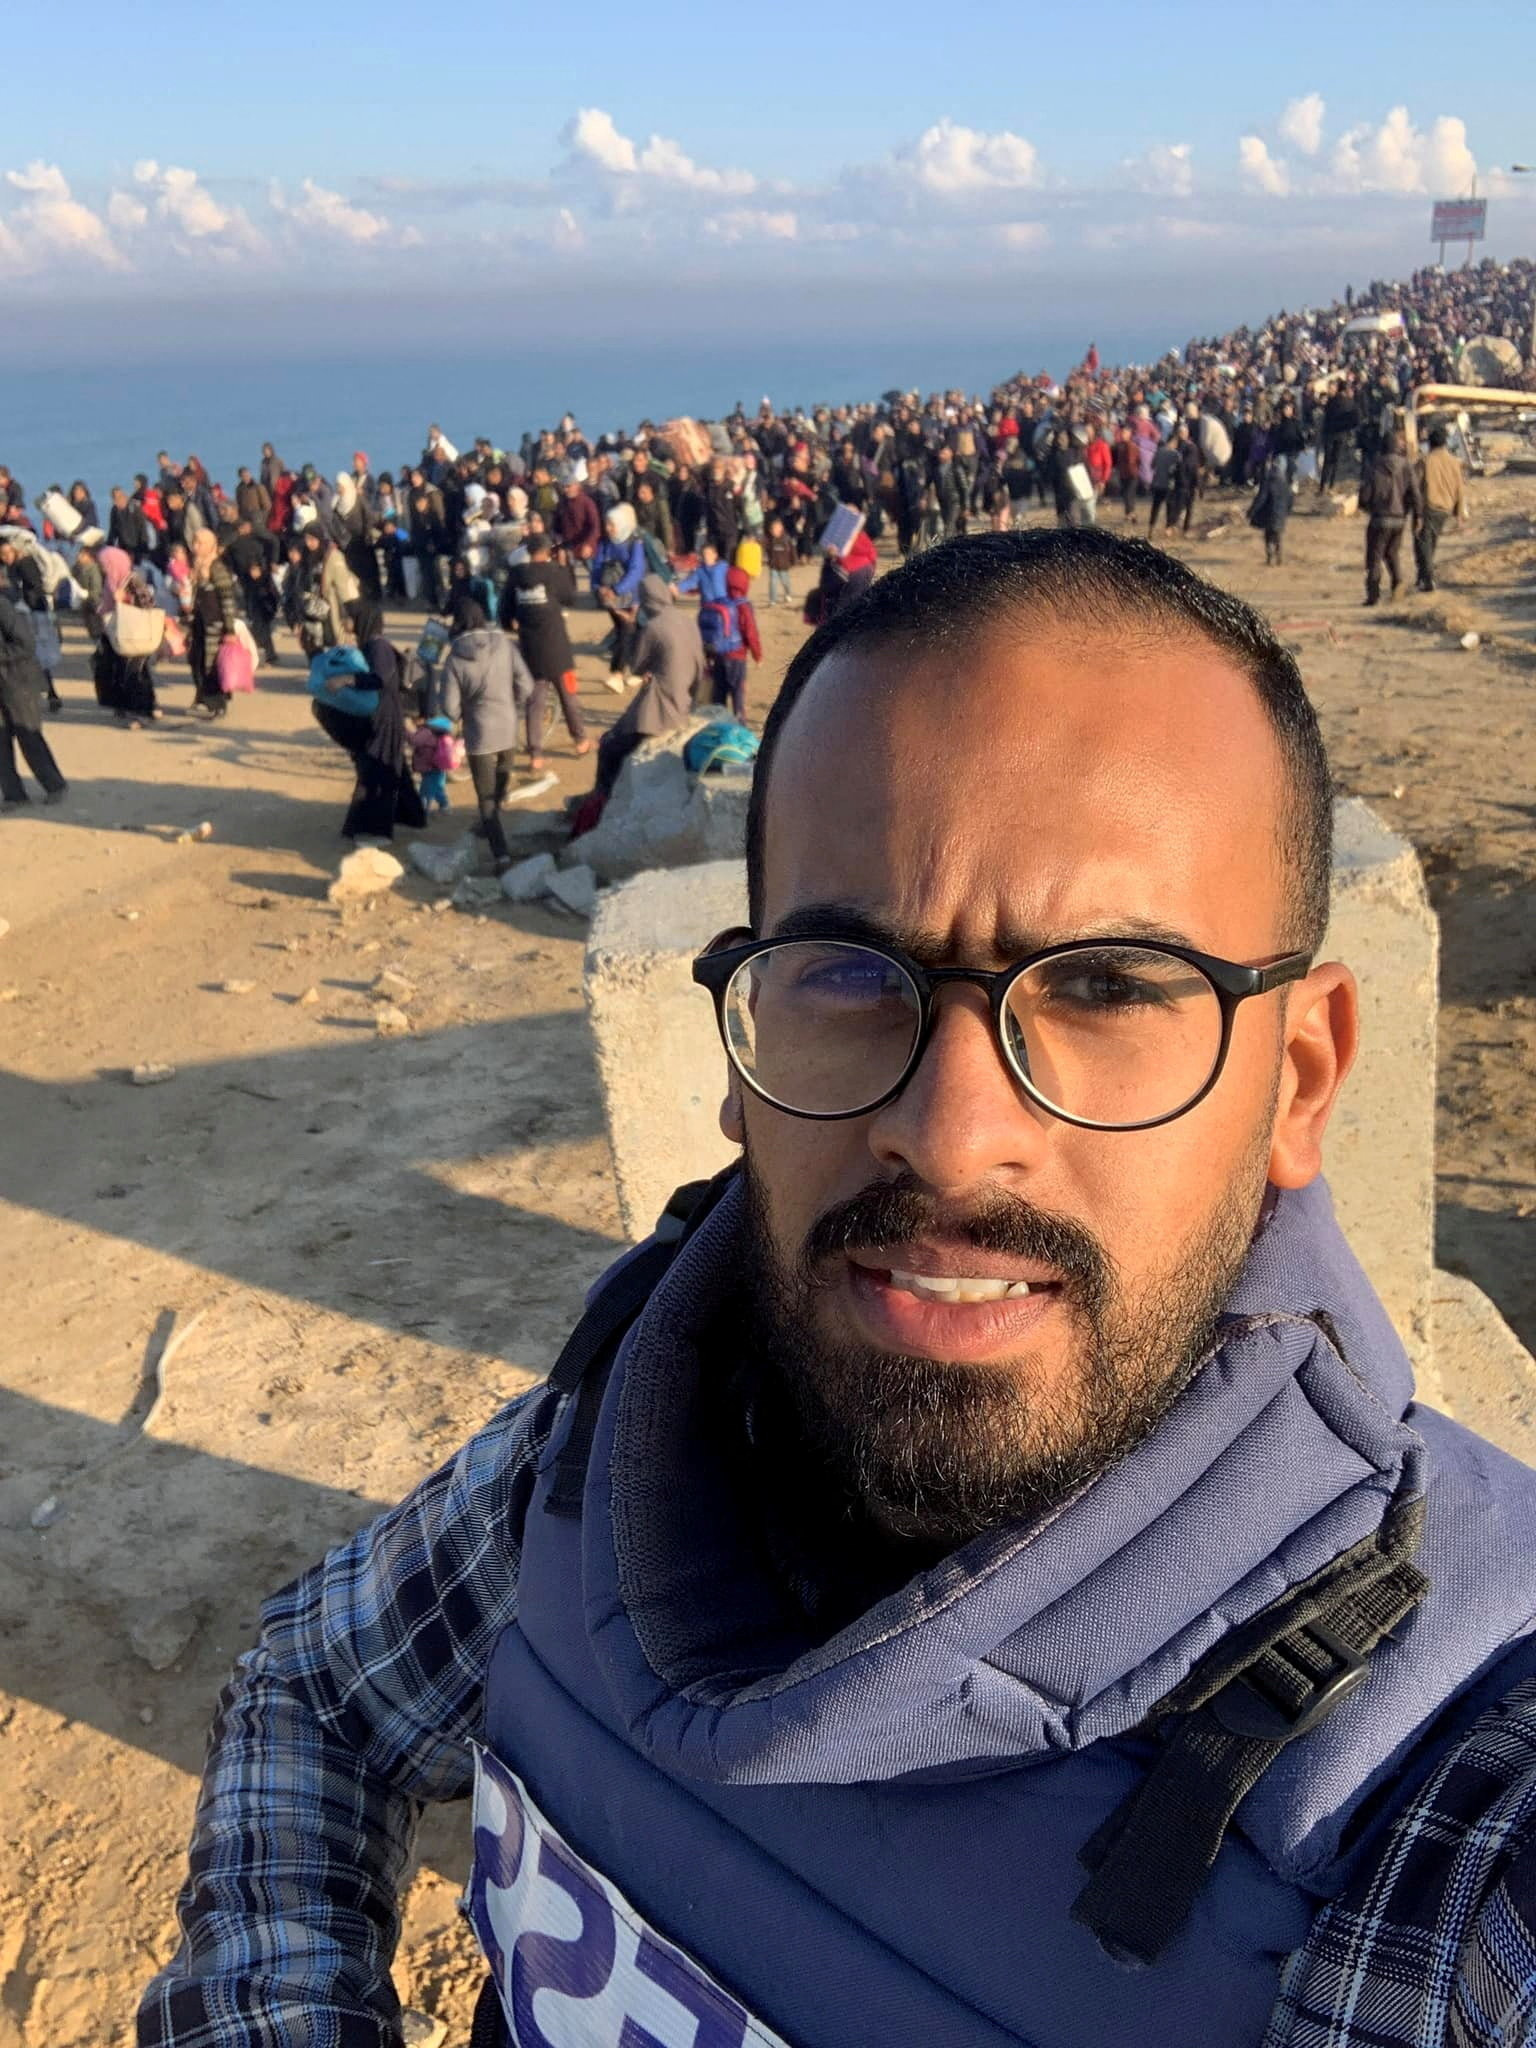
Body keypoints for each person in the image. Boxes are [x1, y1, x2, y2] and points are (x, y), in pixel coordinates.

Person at [140, 529, 1536, 2048]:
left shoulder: (1439, 1805)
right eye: (852, 974)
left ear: (1300, 1078)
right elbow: (321, 1686)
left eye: (1108, 986)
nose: (951, 1133)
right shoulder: (636, 1434)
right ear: (744, 1061)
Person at [307, 603, 426, 842]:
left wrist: (347, 679)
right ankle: (412, 816)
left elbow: (380, 678)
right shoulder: (369, 644)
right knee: (393, 767)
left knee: (374, 773)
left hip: (384, 718)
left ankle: (373, 831)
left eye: (349, 618)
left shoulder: (378, 646)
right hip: (383, 715)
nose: (346, 622)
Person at [591, 572, 705, 799]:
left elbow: (635, 666)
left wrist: (629, 626)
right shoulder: (686, 620)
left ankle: (602, 802)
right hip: (687, 699)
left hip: (661, 708)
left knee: (610, 746)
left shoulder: (654, 626)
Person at [436, 618, 535, 871]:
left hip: (479, 732)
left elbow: (448, 707)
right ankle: (492, 822)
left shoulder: (454, 659)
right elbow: (526, 685)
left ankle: (501, 855)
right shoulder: (504, 644)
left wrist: (464, 715)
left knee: (485, 797)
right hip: (508, 726)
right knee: (502, 777)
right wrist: (511, 704)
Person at [498, 533, 589, 773]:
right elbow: (570, 597)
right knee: (568, 696)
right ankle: (580, 741)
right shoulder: (553, 572)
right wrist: (564, 568)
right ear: (548, 551)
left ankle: (535, 754)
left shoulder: (516, 575)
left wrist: (512, 623)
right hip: (557, 646)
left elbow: (504, 610)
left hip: (531, 647)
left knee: (535, 702)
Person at [0, 588, 66, 806]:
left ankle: (54, 784)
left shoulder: (3, 607)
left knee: (28, 735)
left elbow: (26, 644)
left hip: (19, 681)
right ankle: (14, 795)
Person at [1360, 431, 1422, 607]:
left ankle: (1373, 595)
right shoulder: (1406, 466)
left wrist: (1368, 507)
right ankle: (1397, 583)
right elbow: (1415, 493)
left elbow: (1364, 496)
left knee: (1375, 556)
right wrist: (1417, 515)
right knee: (1392, 553)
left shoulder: (1374, 466)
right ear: (1397, 447)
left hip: (1379, 518)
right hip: (1399, 518)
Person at [187, 527, 239, 717]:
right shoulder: (198, 566)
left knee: (213, 665)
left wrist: (230, 630)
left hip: (215, 625)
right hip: (199, 623)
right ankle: (202, 698)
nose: (196, 547)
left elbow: (227, 599)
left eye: (200, 543)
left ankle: (217, 704)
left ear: (211, 546)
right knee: (196, 660)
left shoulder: (217, 567)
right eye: (194, 542)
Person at [1413, 425, 1466, 594]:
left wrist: (1413, 510)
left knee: (1423, 543)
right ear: (1445, 443)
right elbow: (1460, 489)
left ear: (1430, 443)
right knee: (1431, 542)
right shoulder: (1455, 462)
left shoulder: (1424, 461)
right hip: (1445, 509)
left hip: (1428, 508)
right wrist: (1459, 514)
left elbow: (1414, 487)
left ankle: (1427, 578)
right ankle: (1422, 576)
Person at [1248, 454, 1294, 567]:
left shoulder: (1268, 482)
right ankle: (1279, 557)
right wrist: (1287, 512)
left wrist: (1252, 511)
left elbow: (1261, 498)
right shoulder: (1285, 484)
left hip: (1269, 513)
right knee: (1277, 536)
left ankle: (1270, 558)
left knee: (1268, 536)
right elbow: (1291, 499)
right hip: (1281, 515)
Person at [765, 516, 795, 607]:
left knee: (785, 582)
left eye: (775, 529)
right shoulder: (769, 540)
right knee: (773, 582)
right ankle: (773, 600)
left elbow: (793, 551)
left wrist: (793, 561)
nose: (773, 531)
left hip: (783, 566)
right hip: (773, 565)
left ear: (781, 529)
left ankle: (788, 594)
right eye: (772, 529)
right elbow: (766, 549)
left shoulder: (786, 539)